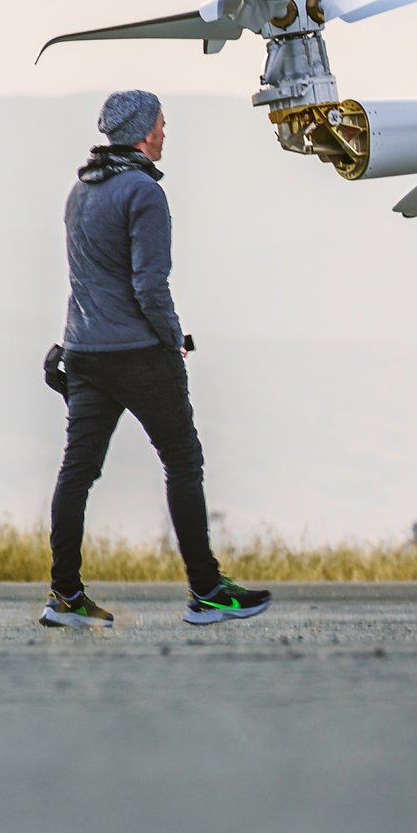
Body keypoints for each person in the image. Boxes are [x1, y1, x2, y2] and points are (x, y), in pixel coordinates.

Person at [46, 89, 269, 628]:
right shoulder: (144, 193)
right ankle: (207, 591)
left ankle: (65, 598)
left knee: (76, 474)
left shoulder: (81, 190)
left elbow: (86, 282)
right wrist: (173, 339)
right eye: (163, 124)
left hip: (84, 353)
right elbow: (150, 285)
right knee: (183, 462)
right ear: (145, 132)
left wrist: (68, 343)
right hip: (138, 355)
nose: (166, 133)